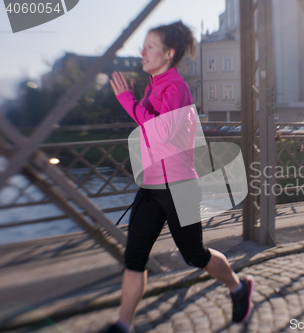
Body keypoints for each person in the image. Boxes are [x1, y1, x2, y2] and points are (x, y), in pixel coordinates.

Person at [104, 21, 253, 333]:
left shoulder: (177, 88)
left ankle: (239, 289)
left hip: (179, 187)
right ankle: (123, 326)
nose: (142, 52)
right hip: (152, 186)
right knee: (134, 257)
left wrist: (126, 101)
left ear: (168, 53)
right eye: (142, 46)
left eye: (149, 47)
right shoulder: (153, 86)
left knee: (194, 254)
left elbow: (160, 135)